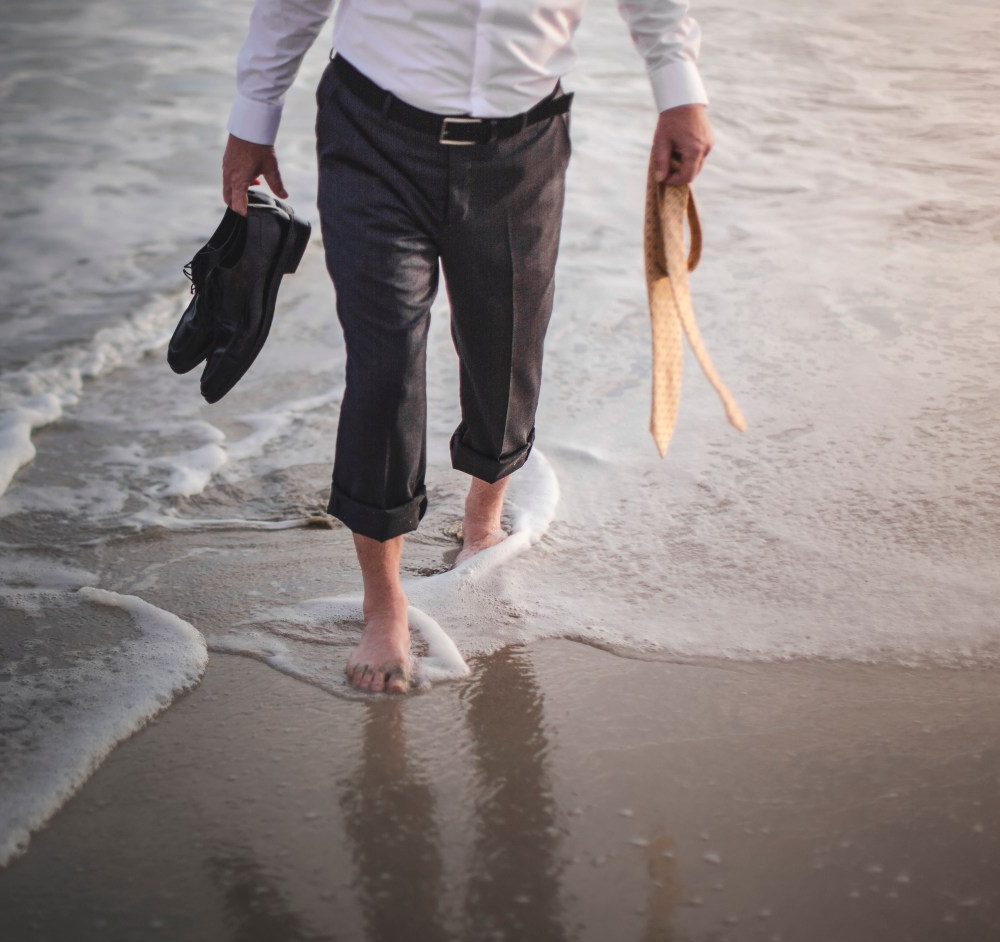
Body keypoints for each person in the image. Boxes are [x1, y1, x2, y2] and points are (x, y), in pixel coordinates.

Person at [220, 0, 715, 694]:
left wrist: (679, 91)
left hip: (523, 146)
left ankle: (481, 522)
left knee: (506, 347)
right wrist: (253, 118)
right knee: (385, 364)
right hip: (372, 136)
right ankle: (383, 605)